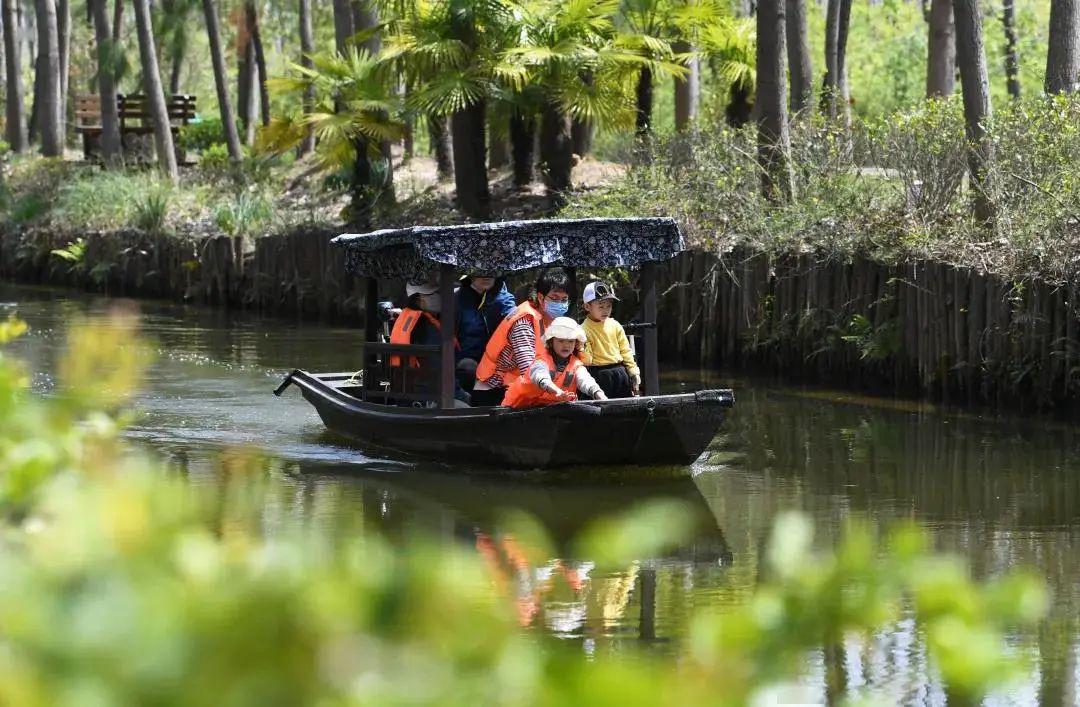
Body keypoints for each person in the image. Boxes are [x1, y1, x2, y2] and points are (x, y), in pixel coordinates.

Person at [474, 269, 573, 406]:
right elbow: (528, 369)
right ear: (540, 297)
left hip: (521, 388)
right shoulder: (524, 322)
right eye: (554, 298)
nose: (560, 304)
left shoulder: (551, 321)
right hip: (494, 392)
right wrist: (555, 390)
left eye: (564, 299)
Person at [389, 280, 468, 404]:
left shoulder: (405, 318)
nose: (442, 297)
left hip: (405, 396)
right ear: (419, 299)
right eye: (436, 293)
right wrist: (464, 397)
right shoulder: (427, 328)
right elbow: (440, 374)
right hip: (429, 400)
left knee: (467, 366)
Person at [504, 317, 607, 408]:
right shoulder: (541, 361)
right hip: (520, 408)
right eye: (561, 341)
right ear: (551, 342)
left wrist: (600, 396)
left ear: (576, 343)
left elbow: (586, 381)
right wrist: (558, 392)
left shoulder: (576, 365)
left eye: (571, 341)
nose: (566, 345)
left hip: (551, 409)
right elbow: (540, 377)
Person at [455, 274, 516, 391]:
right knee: (467, 367)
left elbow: (514, 320)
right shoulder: (456, 298)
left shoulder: (505, 299)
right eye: (480, 271)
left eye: (491, 271)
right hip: (468, 361)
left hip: (499, 363)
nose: (486, 276)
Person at [580, 280, 640, 398]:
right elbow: (586, 360)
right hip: (598, 374)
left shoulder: (615, 325)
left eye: (609, 306)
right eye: (601, 306)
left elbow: (625, 350)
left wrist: (633, 371)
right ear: (587, 306)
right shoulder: (583, 329)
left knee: (624, 408)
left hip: (620, 371)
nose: (605, 310)